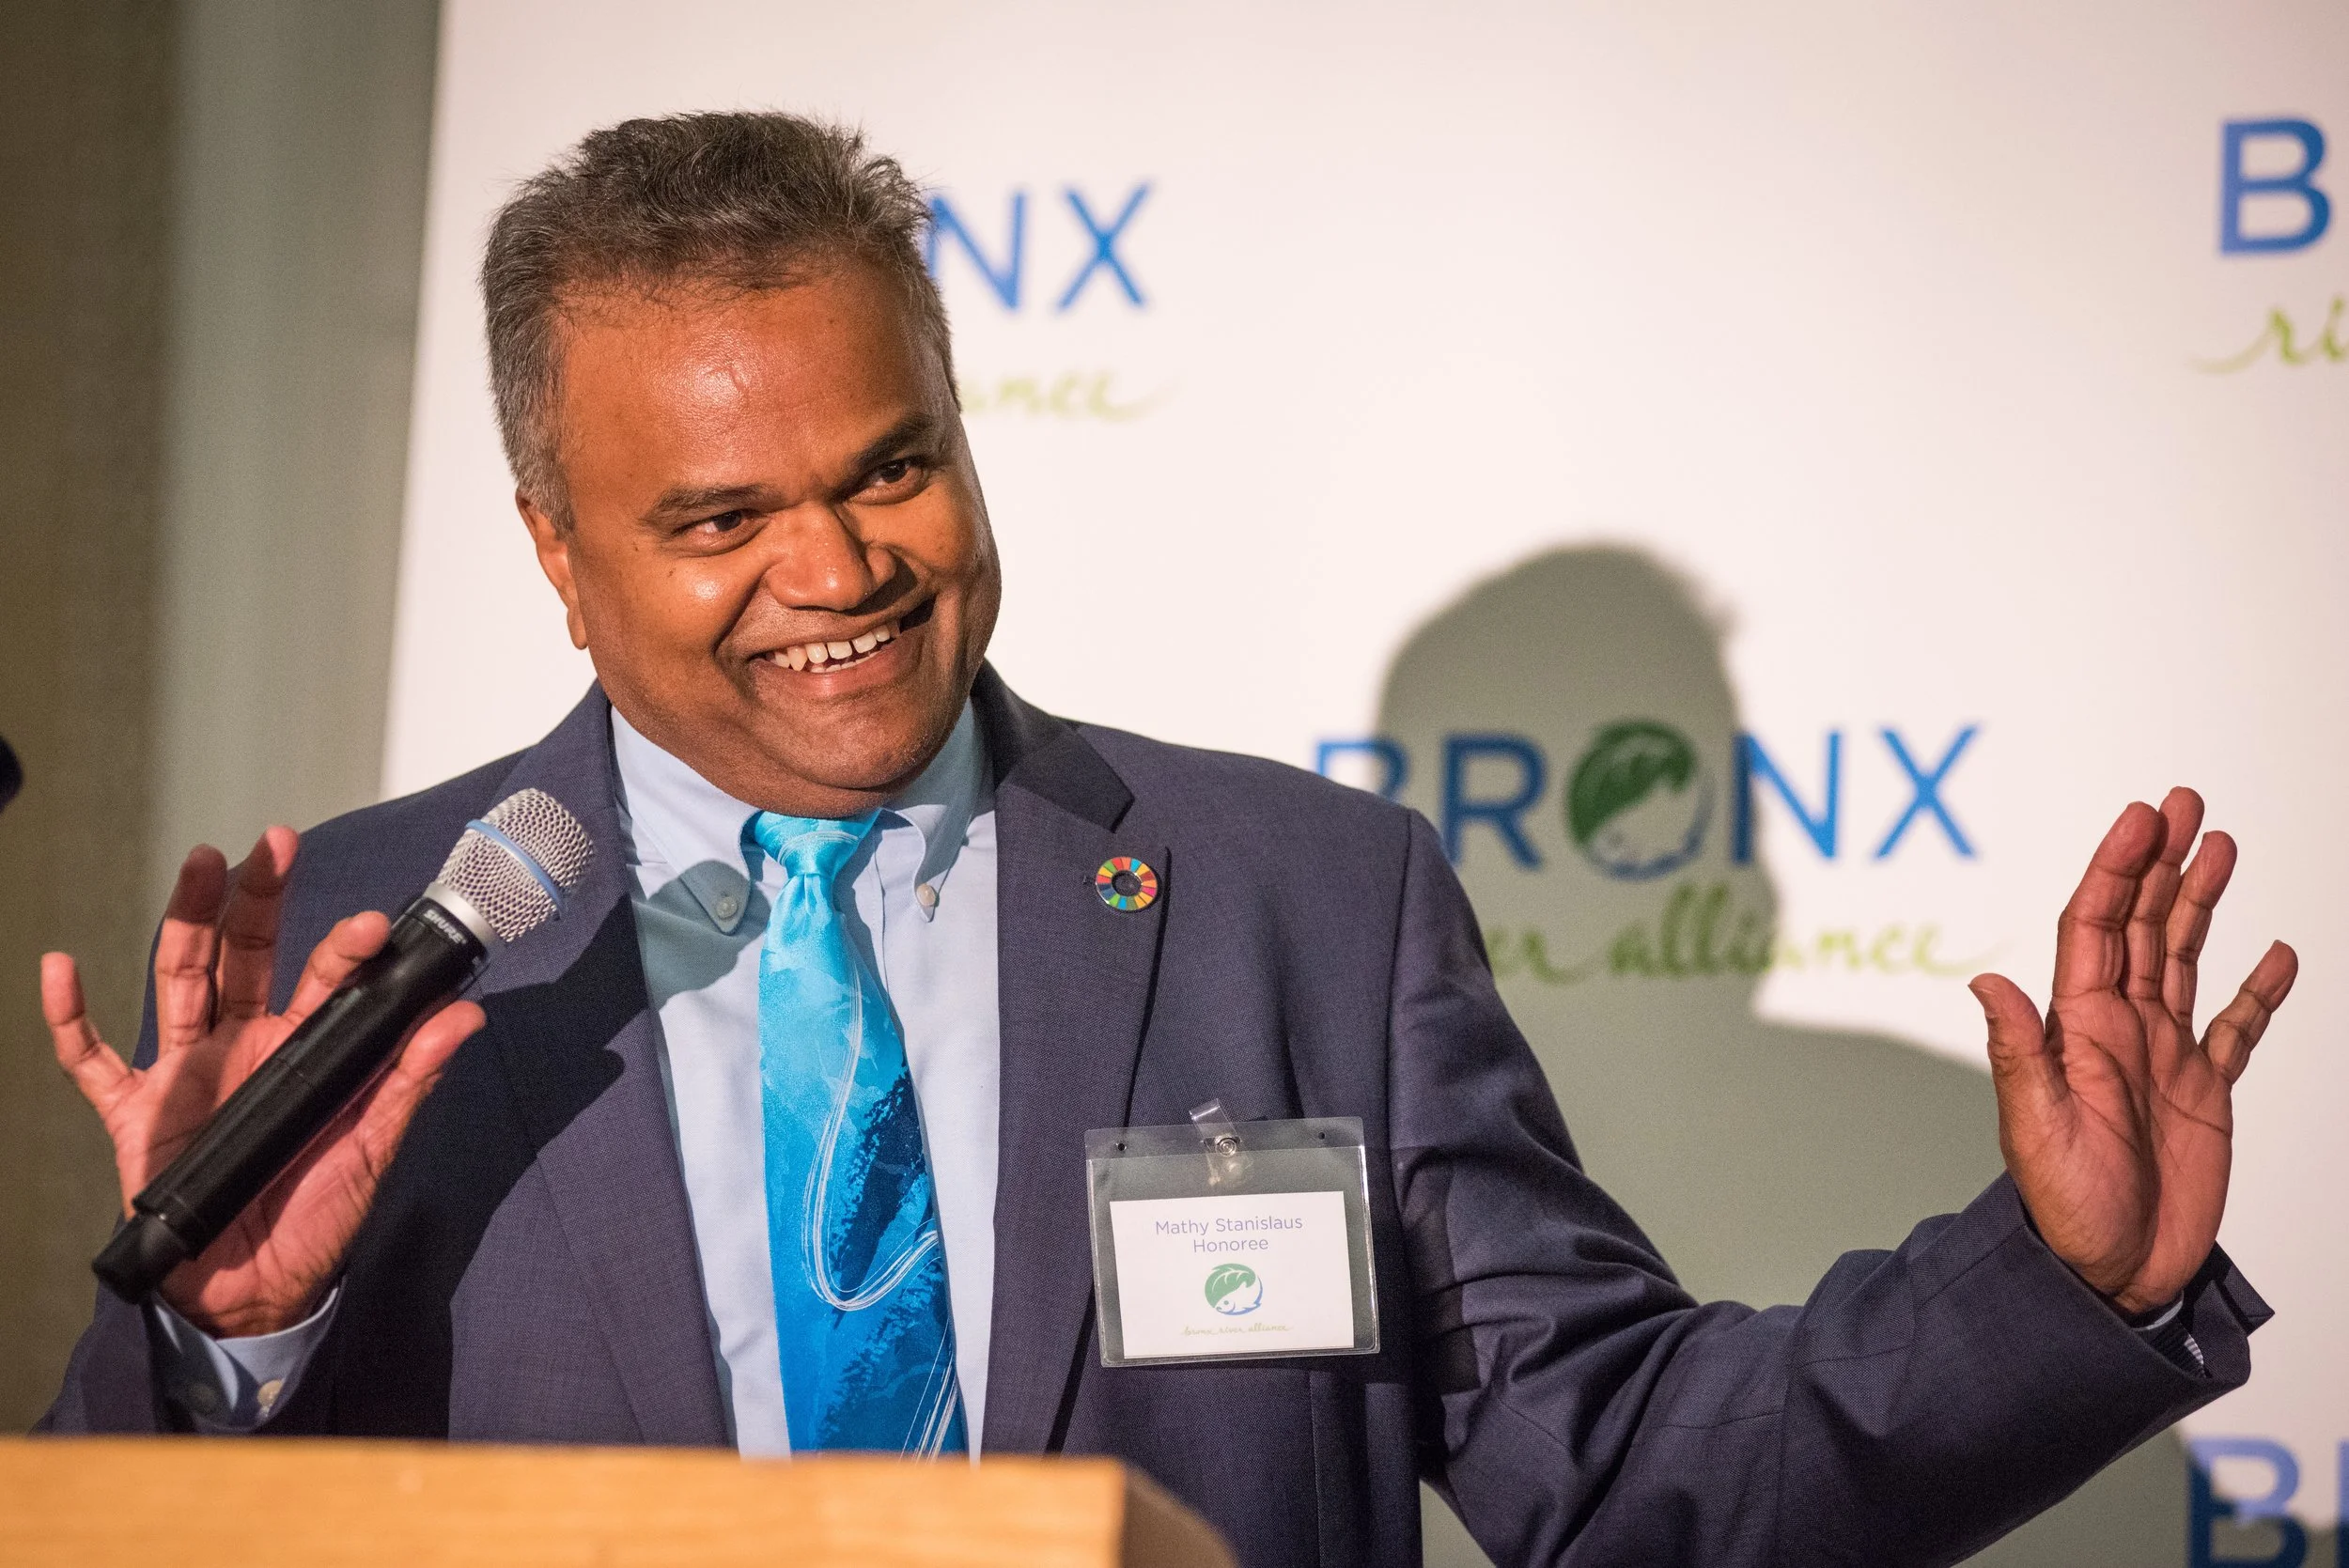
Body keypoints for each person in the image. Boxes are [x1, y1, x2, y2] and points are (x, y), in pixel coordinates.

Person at [38, 113, 2298, 1567]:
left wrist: (2057, 1280)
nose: (837, 571)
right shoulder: (378, 948)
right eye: (720, 518)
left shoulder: (1296, 906)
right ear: (555, 550)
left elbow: (1612, 1468)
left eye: (889, 468)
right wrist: (230, 1339)